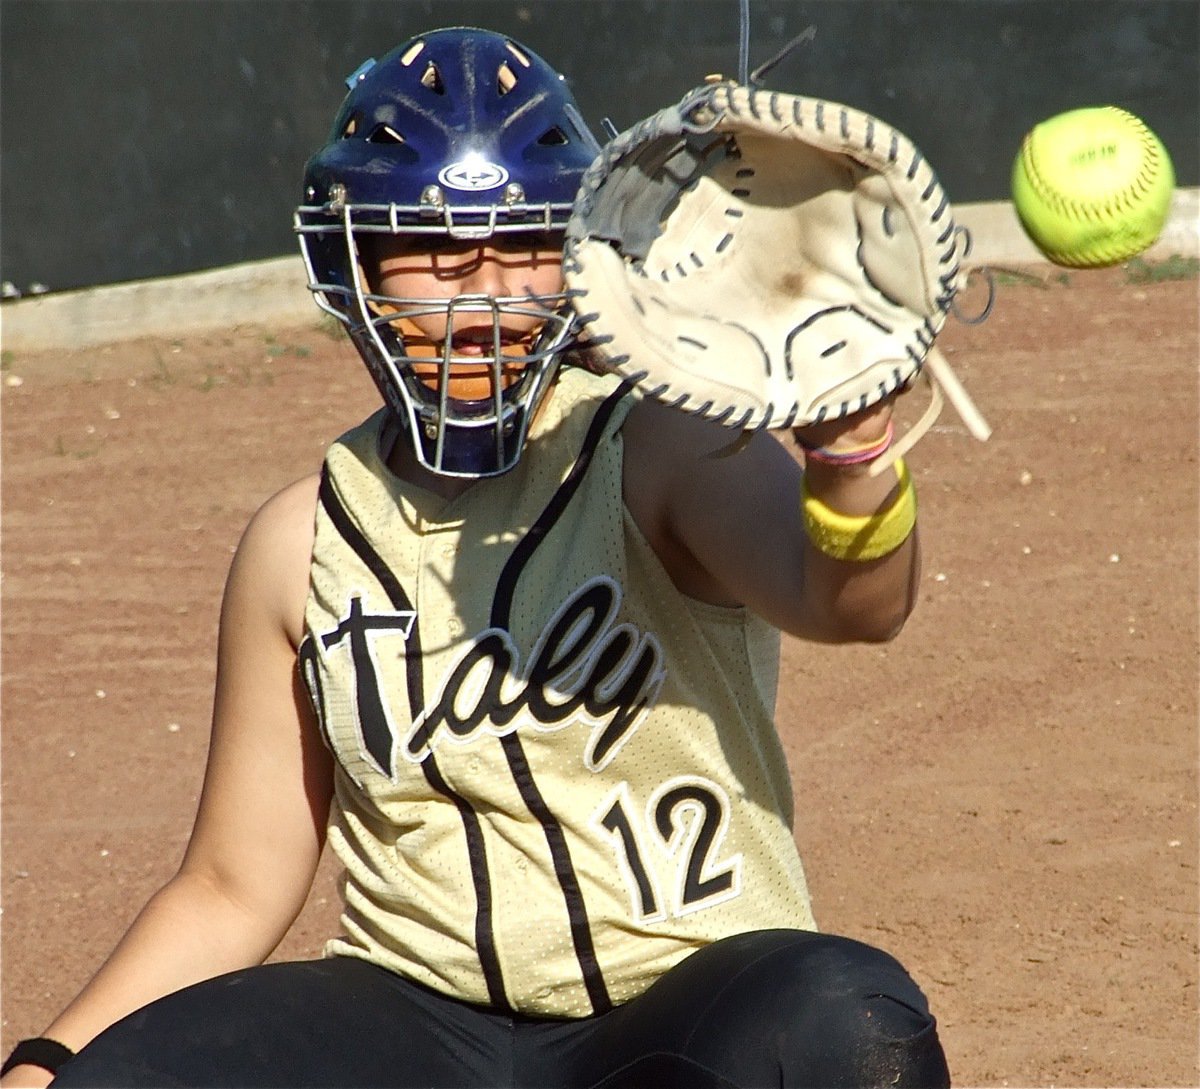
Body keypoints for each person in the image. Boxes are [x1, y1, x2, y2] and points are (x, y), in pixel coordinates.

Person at [2, 27, 950, 1089]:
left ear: (576, 256)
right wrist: (45, 1066)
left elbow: (853, 604)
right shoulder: (301, 542)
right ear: (355, 261)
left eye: (518, 243)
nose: (478, 292)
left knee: (848, 1024)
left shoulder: (659, 449)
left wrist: (848, 450)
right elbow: (232, 884)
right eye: (433, 247)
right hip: (416, 1024)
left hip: (673, 1016)